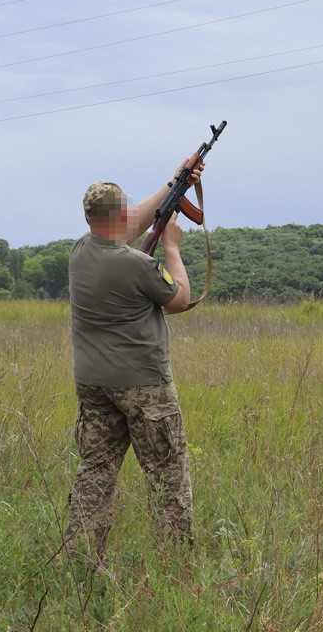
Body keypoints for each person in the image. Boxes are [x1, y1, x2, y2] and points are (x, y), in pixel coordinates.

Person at [64, 156, 204, 564]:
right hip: (144, 384)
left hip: (94, 383)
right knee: (167, 473)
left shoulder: (79, 252)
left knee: (96, 471)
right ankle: (176, 563)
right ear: (120, 213)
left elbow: (131, 225)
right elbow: (179, 299)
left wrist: (175, 182)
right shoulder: (137, 264)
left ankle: (82, 560)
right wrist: (172, 248)